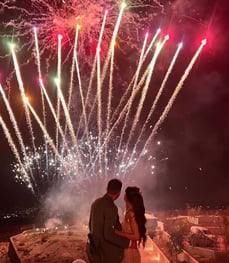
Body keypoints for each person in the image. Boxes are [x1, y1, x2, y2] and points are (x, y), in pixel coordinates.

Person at [87, 179, 130, 263]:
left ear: (107, 188)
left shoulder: (96, 203)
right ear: (119, 192)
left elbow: (90, 224)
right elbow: (108, 234)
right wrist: (127, 243)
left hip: (94, 249)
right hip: (105, 254)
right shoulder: (111, 208)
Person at [114, 186, 147, 263]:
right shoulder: (129, 212)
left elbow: (136, 236)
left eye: (125, 193)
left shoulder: (131, 214)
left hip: (130, 252)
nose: (124, 195)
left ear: (128, 198)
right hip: (128, 249)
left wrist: (119, 233)